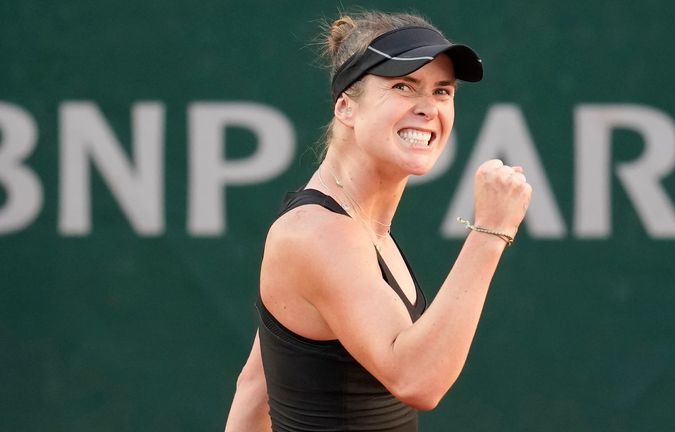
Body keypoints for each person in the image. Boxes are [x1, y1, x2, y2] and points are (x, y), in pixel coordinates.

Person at [225, 10, 532, 432]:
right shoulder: (320, 233)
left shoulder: (354, 229)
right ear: (346, 107)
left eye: (442, 92)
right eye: (403, 87)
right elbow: (418, 381)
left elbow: (256, 385)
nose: (428, 108)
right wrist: (492, 231)